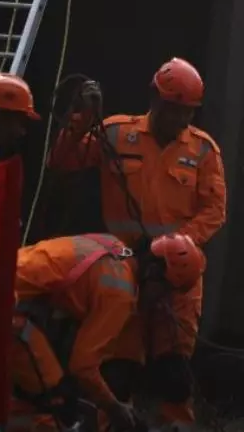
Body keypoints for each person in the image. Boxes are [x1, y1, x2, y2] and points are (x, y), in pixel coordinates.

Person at [51, 58, 223, 430]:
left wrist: (173, 246)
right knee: (118, 368)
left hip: (177, 275)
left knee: (174, 373)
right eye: (173, 109)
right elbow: (63, 160)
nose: (179, 119)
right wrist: (81, 117)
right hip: (122, 272)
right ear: (154, 99)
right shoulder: (114, 133)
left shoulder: (203, 150)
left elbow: (214, 211)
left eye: (186, 112)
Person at [8, 233, 166, 432]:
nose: (162, 302)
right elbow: (82, 367)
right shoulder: (120, 293)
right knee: (57, 405)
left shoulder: (112, 245)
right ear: (151, 273)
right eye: (165, 291)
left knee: (32, 391)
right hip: (5, 312)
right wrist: (114, 408)